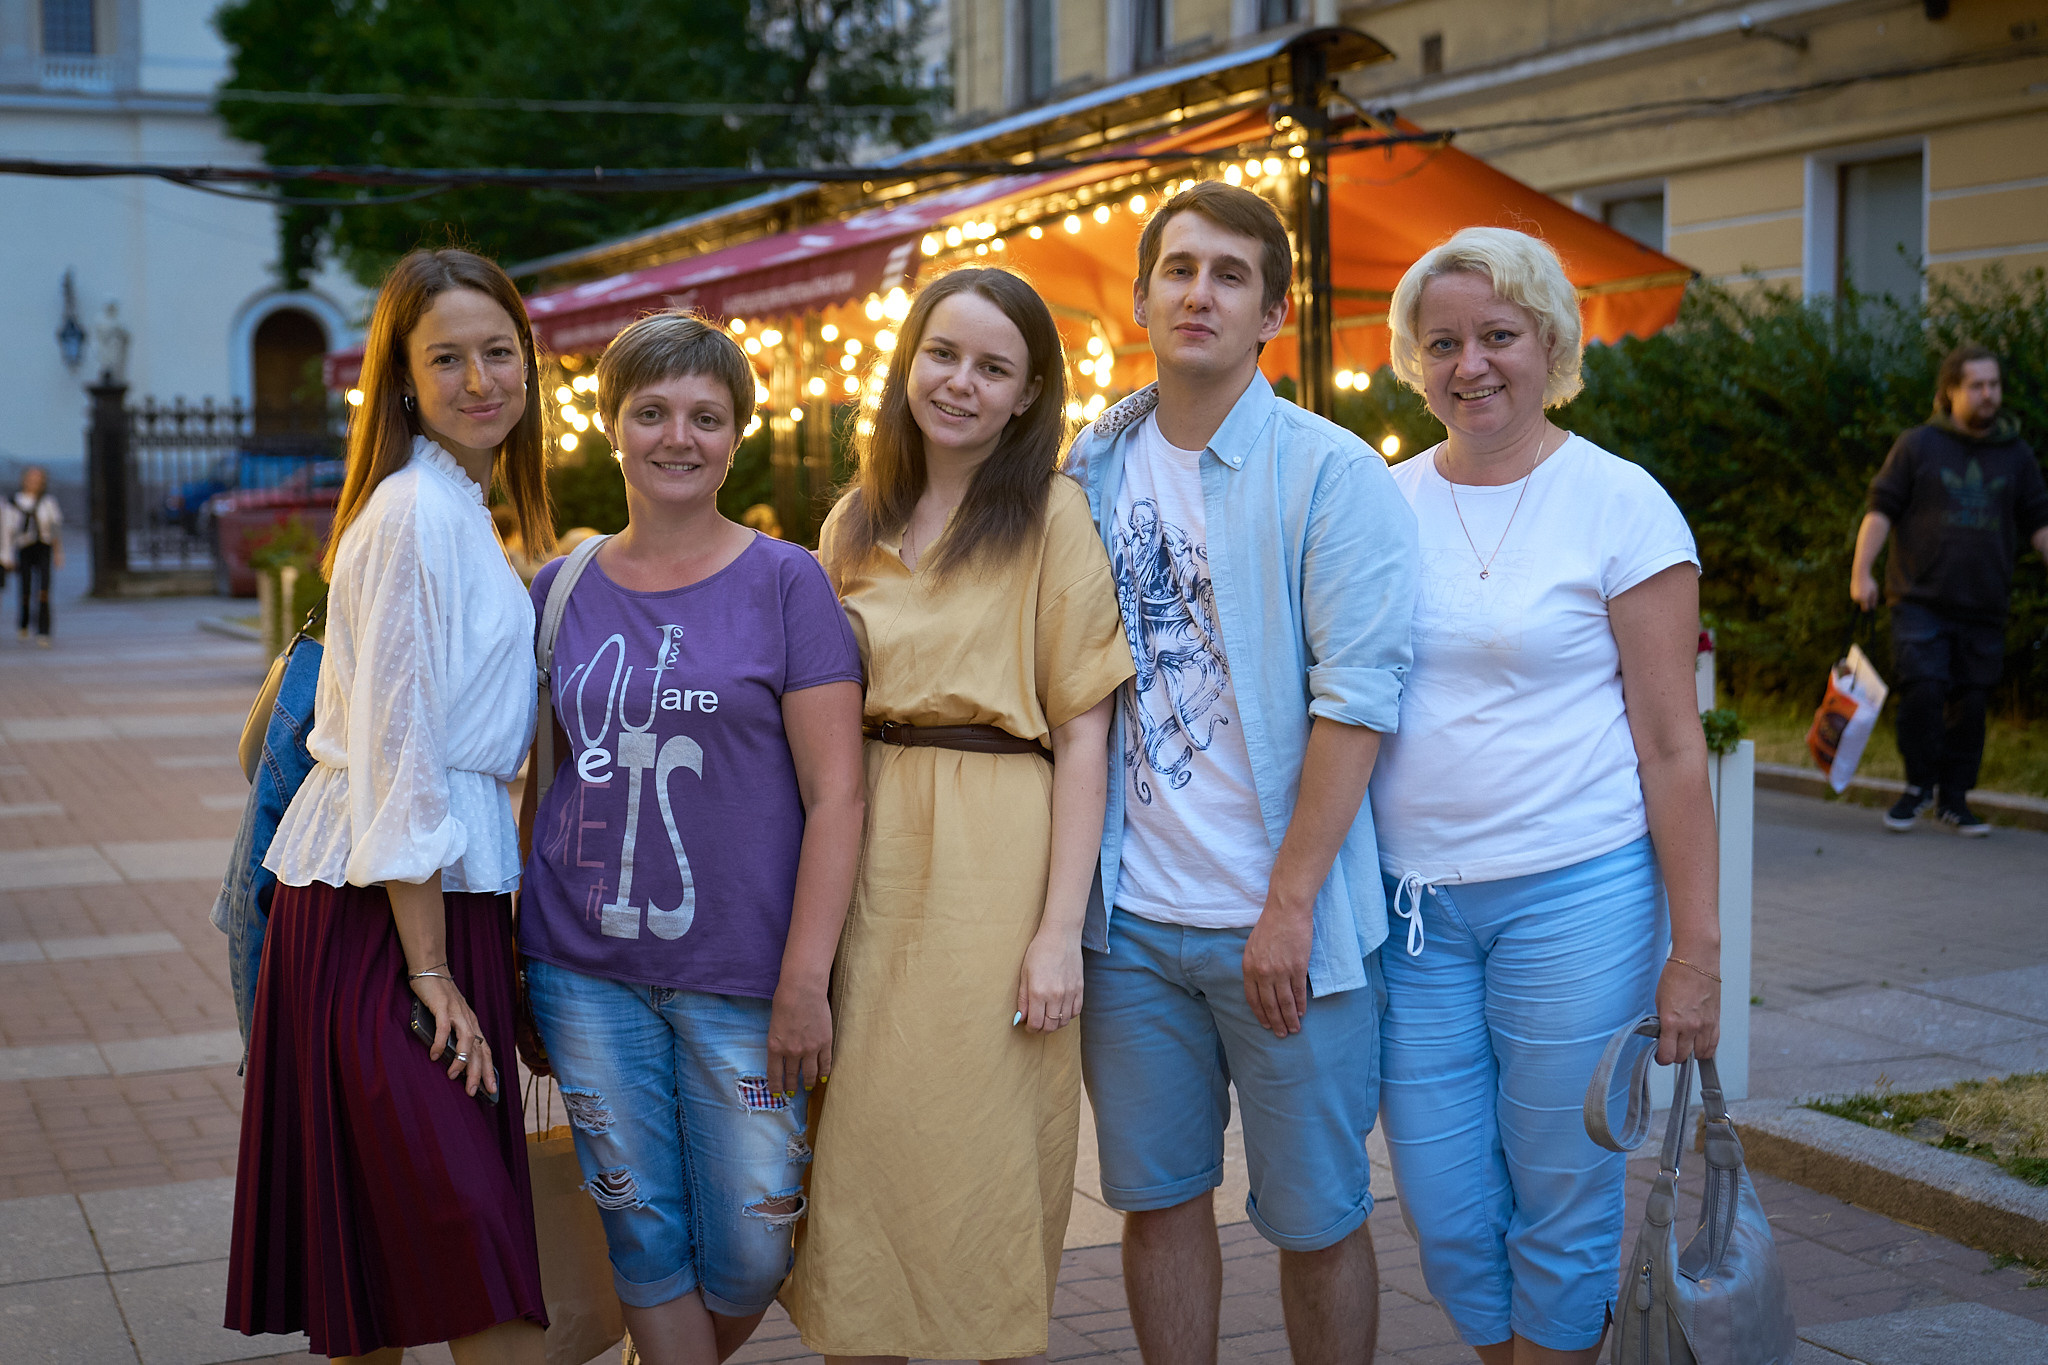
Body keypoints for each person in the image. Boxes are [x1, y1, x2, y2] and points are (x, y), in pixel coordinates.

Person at [1061, 181, 1417, 1365]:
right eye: (1176, 269)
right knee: (1155, 1205)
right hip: (1131, 931)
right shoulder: (1092, 468)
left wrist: (1289, 906)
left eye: (1226, 274)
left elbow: (1355, 703)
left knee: (1315, 1217)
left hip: (1283, 929)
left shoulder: (1330, 473)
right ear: (1144, 294)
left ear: (1273, 308)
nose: (1197, 293)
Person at [1370, 226, 1720, 1365]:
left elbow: (1673, 746)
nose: (1470, 364)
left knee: (1561, 1201)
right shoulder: (1378, 504)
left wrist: (1696, 954)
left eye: (1497, 336)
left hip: (1575, 897)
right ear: (1413, 362)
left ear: (1550, 342)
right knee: (1445, 1208)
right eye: (1442, 343)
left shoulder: (1620, 506)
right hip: (1411, 912)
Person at [782, 267, 1135, 1365]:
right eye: (944, 355)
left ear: (1028, 395)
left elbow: (1084, 733)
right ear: (907, 361)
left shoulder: (1053, 514)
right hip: (863, 848)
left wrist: (1054, 932)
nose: (961, 384)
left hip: (994, 860)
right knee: (859, 1157)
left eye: (993, 368)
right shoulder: (852, 520)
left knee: (976, 1157)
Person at [226, 248, 556, 1365]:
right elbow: (404, 752)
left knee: (390, 1257)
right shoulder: (414, 512)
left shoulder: (455, 505)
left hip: (423, 902)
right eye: (447, 358)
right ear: (404, 381)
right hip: (385, 919)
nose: (480, 379)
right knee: (465, 1252)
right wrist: (432, 972)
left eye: (498, 352)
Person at [517, 312, 866, 1365]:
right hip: (581, 968)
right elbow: (538, 781)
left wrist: (805, 977)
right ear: (609, 426)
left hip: (742, 975)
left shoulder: (786, 580)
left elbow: (837, 793)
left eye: (705, 418)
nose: (678, 436)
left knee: (757, 1240)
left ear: (736, 435)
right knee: (641, 1226)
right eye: (653, 412)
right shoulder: (559, 590)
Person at [1851, 343, 2048, 836]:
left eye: (1994, 385)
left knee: (1972, 703)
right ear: (1950, 392)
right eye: (1977, 386)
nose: (1988, 395)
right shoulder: (1917, 446)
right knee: (1924, 689)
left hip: (1984, 604)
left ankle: (1955, 800)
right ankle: (1918, 787)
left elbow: (2039, 522)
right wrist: (1862, 572)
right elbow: (1881, 510)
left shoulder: (2016, 455)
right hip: (1919, 599)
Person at [1, 465, 63, 646]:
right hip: (24, 548)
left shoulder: (48, 502)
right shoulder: (12, 502)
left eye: (38, 478)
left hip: (43, 547)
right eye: (31, 478)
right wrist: (7, 555)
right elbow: (6, 532)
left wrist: (59, 553)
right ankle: (24, 622)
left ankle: (44, 630)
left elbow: (55, 529)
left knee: (44, 590)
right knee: (25, 590)